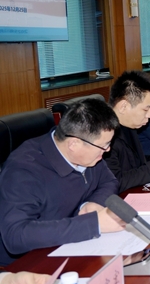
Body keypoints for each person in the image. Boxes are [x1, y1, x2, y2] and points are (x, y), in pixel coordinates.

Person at [0, 99, 125, 266]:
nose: (108, 150)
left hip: (73, 245)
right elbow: (15, 235)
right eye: (104, 145)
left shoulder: (88, 154)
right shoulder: (23, 171)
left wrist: (93, 203)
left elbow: (109, 181)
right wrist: (93, 224)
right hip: (29, 263)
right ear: (73, 144)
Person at [105, 71, 150, 192]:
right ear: (123, 106)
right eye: (146, 109)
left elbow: (131, 163)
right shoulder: (103, 135)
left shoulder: (129, 125)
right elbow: (115, 181)